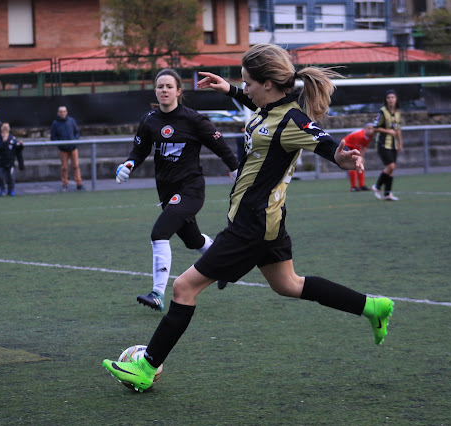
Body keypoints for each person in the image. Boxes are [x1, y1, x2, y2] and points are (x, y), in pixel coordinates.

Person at [103, 44, 395, 392]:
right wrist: (229, 90)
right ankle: (372, 307)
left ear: (268, 84)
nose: (247, 89)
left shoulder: (291, 119)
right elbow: (257, 105)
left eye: (248, 82)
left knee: (183, 287)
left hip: (252, 225)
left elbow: (323, 140)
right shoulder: (270, 108)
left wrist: (342, 156)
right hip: (266, 220)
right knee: (288, 284)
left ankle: (146, 367)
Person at [115, 68, 239, 311]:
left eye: (169, 86)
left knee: (159, 234)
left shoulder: (193, 119)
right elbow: (138, 151)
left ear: (178, 91)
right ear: (155, 91)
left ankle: (157, 294)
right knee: (193, 241)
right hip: (166, 192)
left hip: (191, 189)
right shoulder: (149, 120)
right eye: (160, 86)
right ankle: (226, 265)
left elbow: (220, 146)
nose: (164, 90)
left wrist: (236, 171)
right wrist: (128, 164)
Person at [371, 89, 403, 201]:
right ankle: (377, 186)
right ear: (385, 100)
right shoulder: (382, 112)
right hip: (383, 143)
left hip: (393, 144)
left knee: (391, 169)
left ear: (396, 99)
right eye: (388, 98)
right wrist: (388, 131)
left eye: (393, 97)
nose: (391, 100)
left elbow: (398, 129)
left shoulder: (398, 112)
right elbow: (375, 128)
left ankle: (387, 194)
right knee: (391, 166)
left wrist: (400, 143)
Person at [51, 106, 84, 191]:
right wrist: (60, 143)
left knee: (76, 166)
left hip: (73, 148)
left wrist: (74, 140)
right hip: (63, 149)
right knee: (64, 167)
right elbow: (53, 137)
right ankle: (65, 184)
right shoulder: (55, 123)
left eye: (64, 111)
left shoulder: (71, 121)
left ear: (67, 112)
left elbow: (77, 132)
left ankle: (79, 183)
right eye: (61, 112)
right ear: (58, 113)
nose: (63, 113)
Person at [0, 122, 25, 196]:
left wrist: (21, 145)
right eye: (4, 127)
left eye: (7, 127)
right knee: (0, 175)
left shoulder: (12, 138)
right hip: (0, 161)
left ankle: (11, 190)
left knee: (10, 177)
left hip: (10, 161)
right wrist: (4, 142)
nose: (5, 128)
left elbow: (18, 150)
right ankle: (2, 189)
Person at [342, 123, 375, 191]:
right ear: (365, 129)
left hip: (353, 149)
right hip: (345, 146)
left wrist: (361, 157)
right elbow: (355, 148)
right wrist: (358, 158)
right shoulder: (359, 135)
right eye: (369, 128)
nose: (371, 130)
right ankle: (353, 187)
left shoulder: (369, 136)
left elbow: (364, 147)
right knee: (353, 164)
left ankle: (361, 185)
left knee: (360, 163)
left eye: (372, 128)